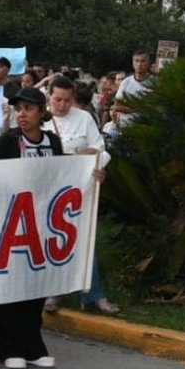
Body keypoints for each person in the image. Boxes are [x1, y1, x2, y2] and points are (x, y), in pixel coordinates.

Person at [0, 86, 62, 369]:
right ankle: (9, 347)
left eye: (28, 109)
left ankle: (33, 344)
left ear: (41, 112)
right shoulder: (7, 142)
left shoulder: (53, 142)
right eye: (19, 109)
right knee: (10, 285)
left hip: (41, 223)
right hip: (11, 223)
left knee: (36, 283)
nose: (22, 114)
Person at [44, 75, 116, 315]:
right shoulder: (40, 120)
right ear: (49, 98)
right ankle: (53, 292)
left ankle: (93, 294)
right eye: (57, 100)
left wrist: (96, 167)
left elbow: (100, 150)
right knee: (53, 241)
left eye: (66, 100)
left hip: (80, 190)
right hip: (49, 191)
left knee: (85, 240)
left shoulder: (84, 119)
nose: (62, 105)